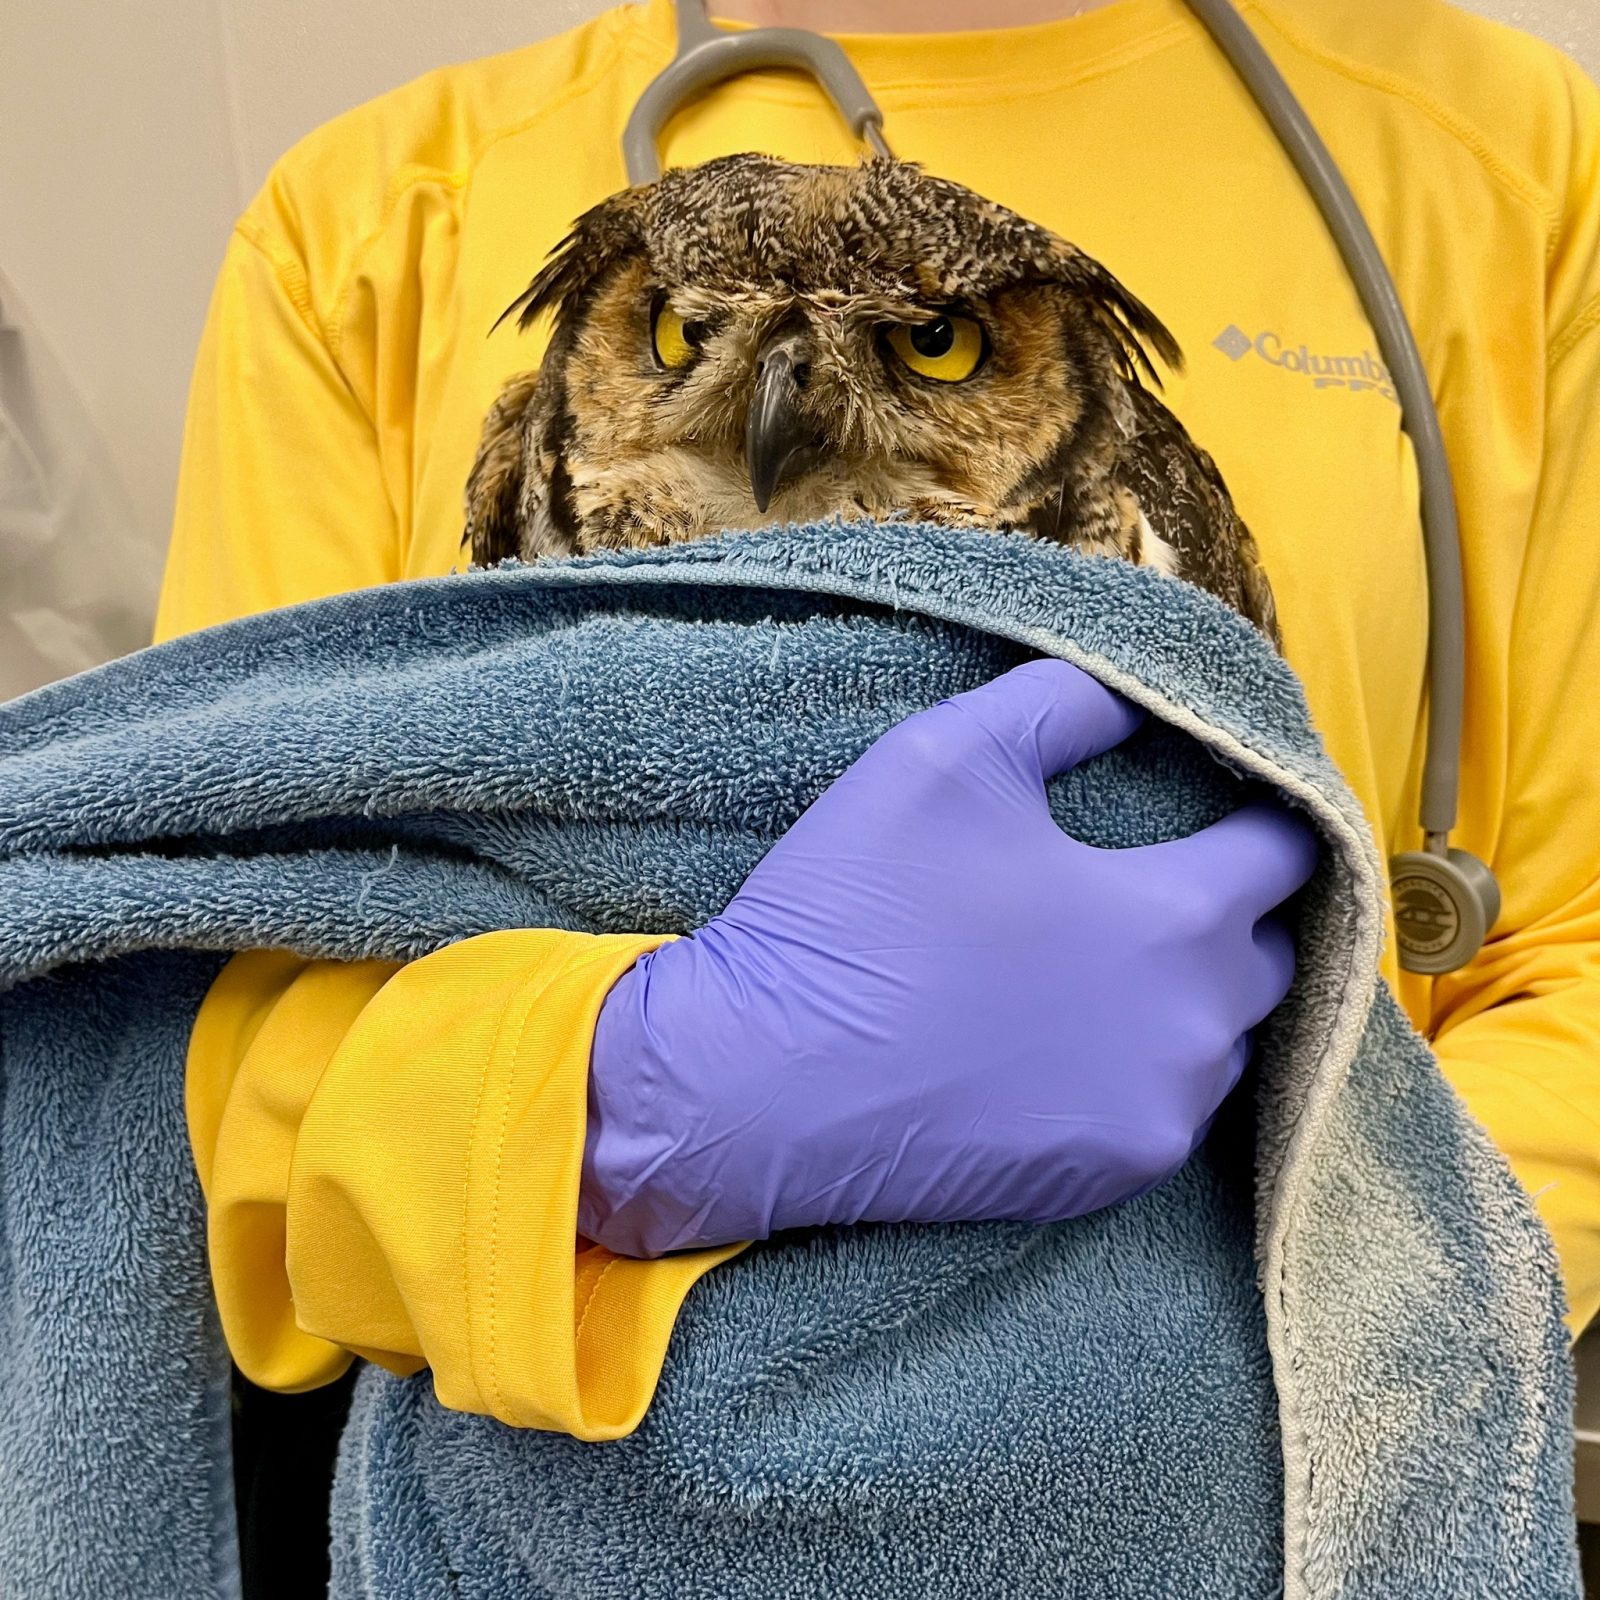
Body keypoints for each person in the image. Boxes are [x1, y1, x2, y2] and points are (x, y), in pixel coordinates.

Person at [159, 0, 1600, 1579]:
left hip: (1234, 1459)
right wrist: (622, 1105)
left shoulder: (1498, 158)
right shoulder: (375, 219)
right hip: (580, 1489)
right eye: (677, 338)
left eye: (937, 344)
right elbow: (221, 986)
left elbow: (1578, 941)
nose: (770, 409)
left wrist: (1285, 1294)